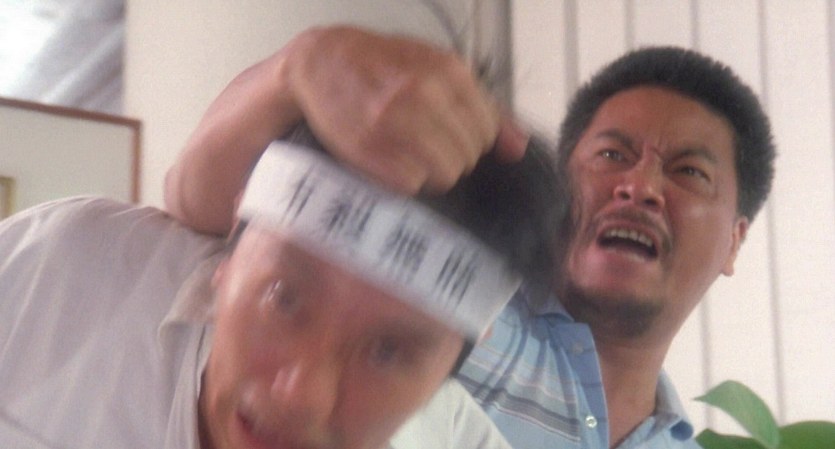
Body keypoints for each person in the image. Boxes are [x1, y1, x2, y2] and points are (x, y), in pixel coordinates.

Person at [164, 26, 776, 449]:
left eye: (689, 172)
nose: (639, 187)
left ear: (734, 241)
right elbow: (205, 206)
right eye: (613, 154)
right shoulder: (437, 307)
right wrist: (297, 71)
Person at [0, 122, 561, 448]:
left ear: (447, 375)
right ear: (228, 254)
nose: (299, 395)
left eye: (388, 351)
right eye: (284, 297)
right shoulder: (62, 274)